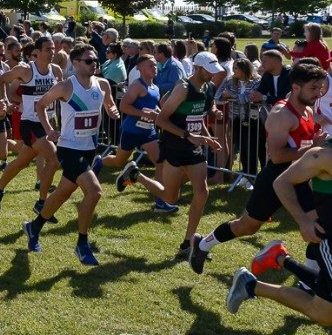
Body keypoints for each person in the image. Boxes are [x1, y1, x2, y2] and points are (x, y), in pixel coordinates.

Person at [189, 61, 327, 274]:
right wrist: (313, 152)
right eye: (313, 88)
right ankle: (202, 244)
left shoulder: (307, 110)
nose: (318, 94)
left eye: (320, 88)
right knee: (247, 227)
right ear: (296, 87)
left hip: (299, 178)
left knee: (318, 225)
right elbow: (277, 155)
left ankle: (311, 279)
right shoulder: (282, 114)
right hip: (275, 179)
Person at [116, 51, 223, 258]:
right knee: (170, 197)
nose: (213, 75)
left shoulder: (209, 87)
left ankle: (188, 242)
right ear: (198, 68)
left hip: (194, 147)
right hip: (174, 146)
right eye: (209, 71)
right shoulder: (183, 88)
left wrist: (208, 134)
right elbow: (161, 120)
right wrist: (188, 135)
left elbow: (200, 113)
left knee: (202, 191)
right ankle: (136, 175)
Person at [22, 44, 119, 265]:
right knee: (94, 192)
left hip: (89, 148)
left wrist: (112, 111)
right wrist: (48, 130)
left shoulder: (102, 84)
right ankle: (82, 244)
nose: (94, 64)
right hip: (69, 149)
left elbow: (110, 105)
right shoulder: (66, 86)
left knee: (62, 194)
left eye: (95, 60)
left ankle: (34, 227)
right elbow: (41, 105)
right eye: (88, 61)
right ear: (75, 64)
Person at [224, 145, 332, 326]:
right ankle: (254, 281)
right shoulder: (323, 155)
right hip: (329, 241)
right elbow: (282, 182)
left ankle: (252, 282)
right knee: (324, 313)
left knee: (325, 312)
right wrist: (303, 220)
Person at [0, 36, 62, 216]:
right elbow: (1, 81)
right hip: (30, 123)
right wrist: (6, 101)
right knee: (53, 160)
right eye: (48, 49)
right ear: (36, 52)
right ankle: (42, 202)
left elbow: (60, 96)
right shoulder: (25, 69)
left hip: (48, 122)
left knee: (22, 162)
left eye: (53, 48)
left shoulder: (56, 70)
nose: (52, 52)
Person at [104, 54, 175, 212]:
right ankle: (98, 163)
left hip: (148, 132)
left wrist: (156, 112)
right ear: (139, 68)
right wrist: (143, 113)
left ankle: (160, 202)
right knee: (118, 161)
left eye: (155, 65)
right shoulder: (137, 86)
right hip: (131, 131)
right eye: (150, 65)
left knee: (160, 163)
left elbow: (151, 107)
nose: (154, 68)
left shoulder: (155, 88)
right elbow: (123, 106)